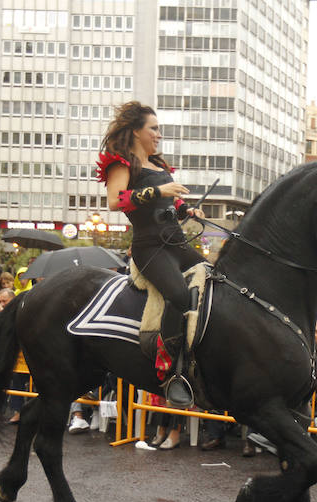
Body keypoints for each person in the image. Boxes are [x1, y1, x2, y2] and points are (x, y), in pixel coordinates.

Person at [98, 100, 205, 408]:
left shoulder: (159, 165)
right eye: (153, 129)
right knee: (180, 296)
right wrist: (160, 191)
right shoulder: (123, 163)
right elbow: (116, 201)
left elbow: (169, 205)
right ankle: (170, 370)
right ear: (135, 131)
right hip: (149, 247)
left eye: (159, 129)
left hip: (176, 242)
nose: (158, 134)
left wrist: (187, 209)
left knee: (214, 280)